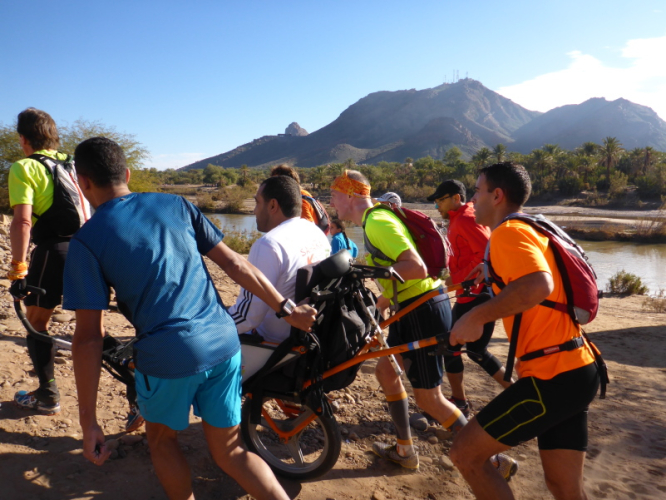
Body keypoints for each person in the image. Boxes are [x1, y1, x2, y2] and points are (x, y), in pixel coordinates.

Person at [63, 137, 316, 500]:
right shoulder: (177, 204)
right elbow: (235, 263)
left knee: (162, 442)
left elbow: (89, 337)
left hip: (168, 355)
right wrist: (287, 308)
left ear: (83, 181)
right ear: (127, 174)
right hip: (224, 342)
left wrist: (88, 422)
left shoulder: (86, 241)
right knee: (231, 451)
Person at [330, 170, 515, 476]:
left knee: (430, 399)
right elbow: (404, 268)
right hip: (412, 307)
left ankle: (494, 461)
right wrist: (382, 296)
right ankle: (404, 450)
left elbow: (415, 267)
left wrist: (368, 276)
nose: (331, 203)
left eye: (334, 196)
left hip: (422, 310)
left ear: (351, 195)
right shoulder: (375, 219)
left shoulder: (377, 222)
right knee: (386, 371)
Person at [449, 162, 600, 500]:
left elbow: (538, 284)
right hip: (578, 367)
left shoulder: (508, 233)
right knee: (564, 487)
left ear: (497, 196)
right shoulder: (529, 227)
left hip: (552, 376)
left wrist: (476, 317)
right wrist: (489, 270)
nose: (472, 200)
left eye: (477, 191)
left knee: (465, 454)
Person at [8, 108, 89, 416]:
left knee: (37, 322)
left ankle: (47, 395)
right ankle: (137, 394)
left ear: (23, 139)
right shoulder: (75, 163)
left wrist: (18, 268)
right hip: (90, 250)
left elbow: (22, 222)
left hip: (53, 251)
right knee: (92, 326)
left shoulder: (25, 167)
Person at [427, 179, 513, 417]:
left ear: (456, 198)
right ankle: (507, 391)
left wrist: (459, 279)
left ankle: (462, 401)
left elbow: (487, 254)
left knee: (453, 346)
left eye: (440, 201)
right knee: (474, 350)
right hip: (469, 295)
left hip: (477, 294)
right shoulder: (460, 219)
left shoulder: (466, 219)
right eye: (435, 202)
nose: (437, 207)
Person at [229, 175, 330, 344]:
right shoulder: (315, 231)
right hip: (309, 336)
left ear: (273, 205)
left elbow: (248, 317)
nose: (254, 210)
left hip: (272, 343)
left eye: (257, 203)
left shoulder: (268, 245)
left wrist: (209, 331)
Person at [270, 164, 328, 231]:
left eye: (277, 183)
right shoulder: (301, 195)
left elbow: (308, 230)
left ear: (288, 182)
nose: (273, 187)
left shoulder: (300, 201)